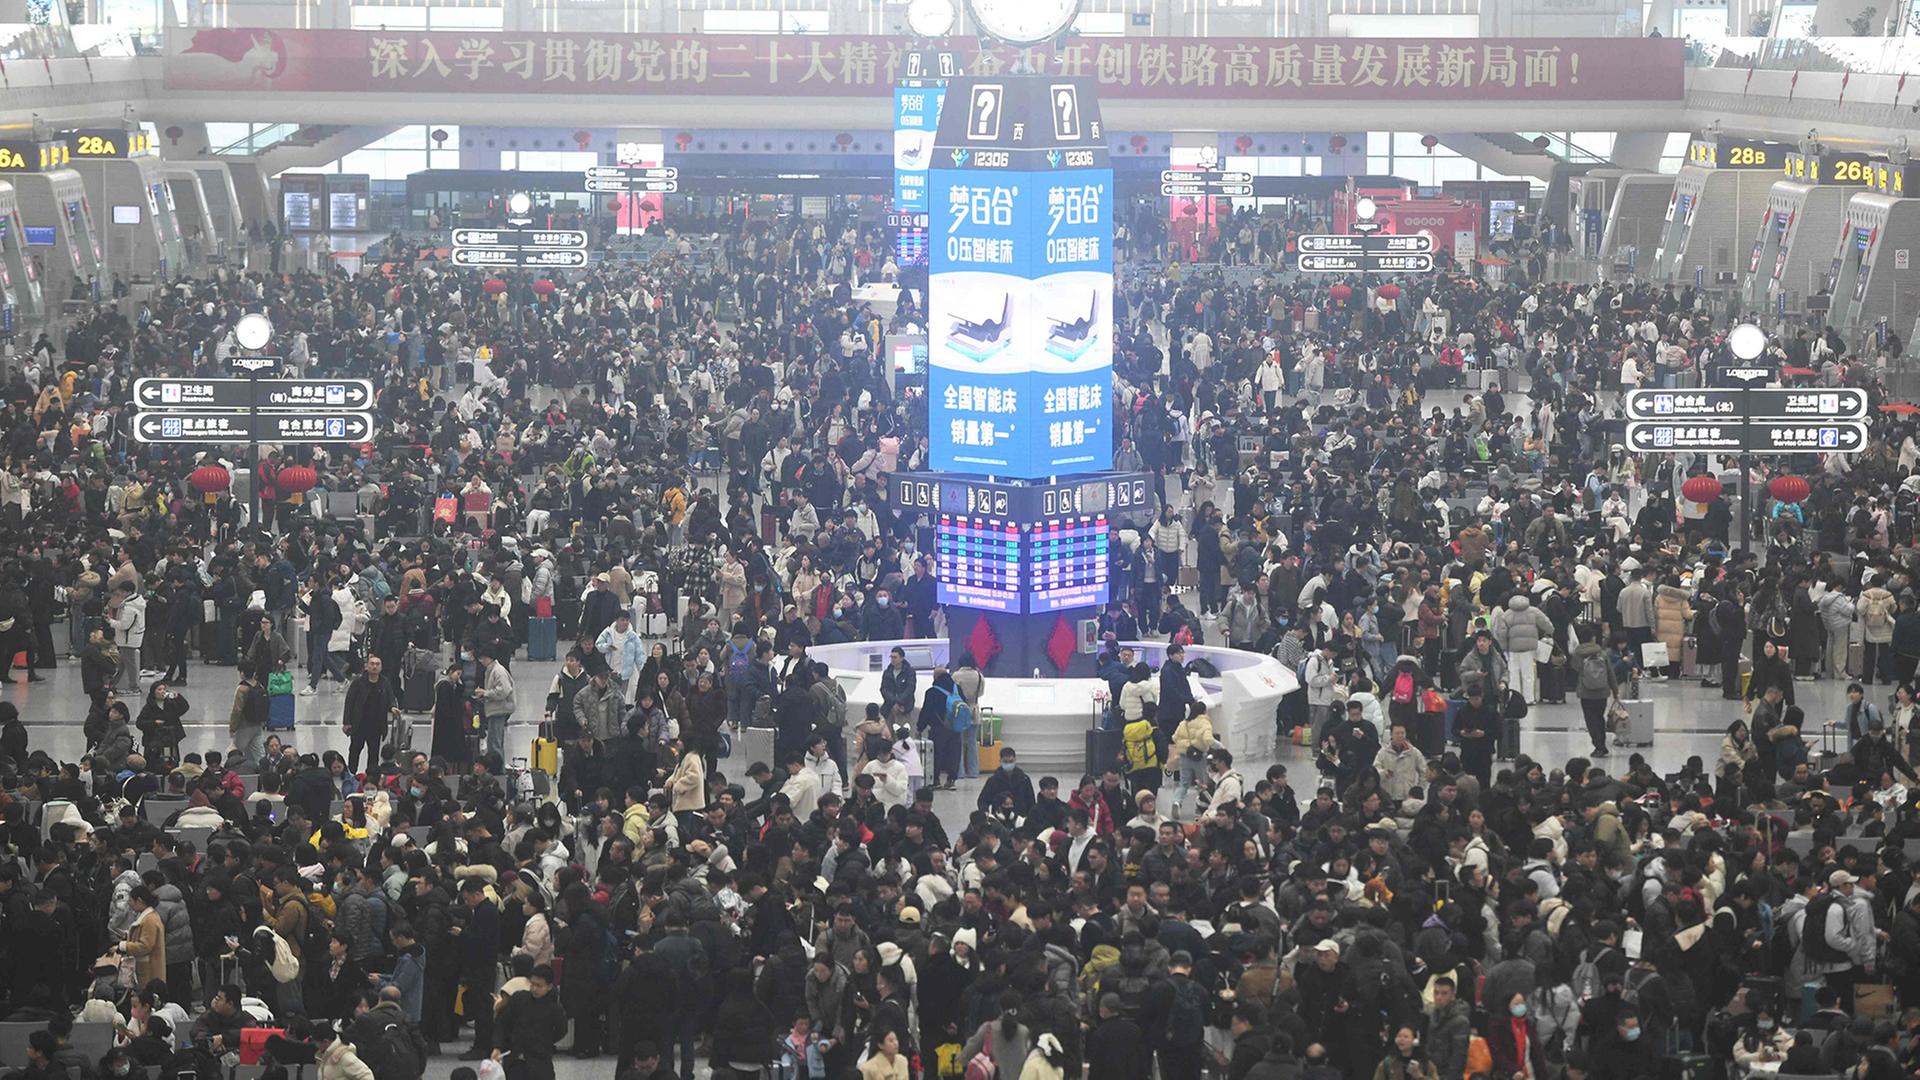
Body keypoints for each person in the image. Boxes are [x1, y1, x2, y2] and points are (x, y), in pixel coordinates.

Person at [495, 963, 568, 1080]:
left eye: (539, 986)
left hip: (540, 1060)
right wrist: (498, 1046)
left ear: (549, 987)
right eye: (532, 984)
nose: (534, 988)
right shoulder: (519, 999)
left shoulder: (555, 1009)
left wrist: (545, 1041)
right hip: (515, 1059)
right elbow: (503, 1022)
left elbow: (562, 1030)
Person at [341, 654, 399, 775]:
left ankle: (371, 777)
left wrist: (393, 707)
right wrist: (347, 722)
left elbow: (390, 697)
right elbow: (349, 702)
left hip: (376, 726)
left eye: (377, 664)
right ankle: (351, 775)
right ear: (367, 666)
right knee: (354, 751)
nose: (374, 666)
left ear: (381, 667)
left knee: (373, 755)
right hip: (359, 725)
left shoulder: (385, 682)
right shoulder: (358, 682)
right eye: (372, 664)